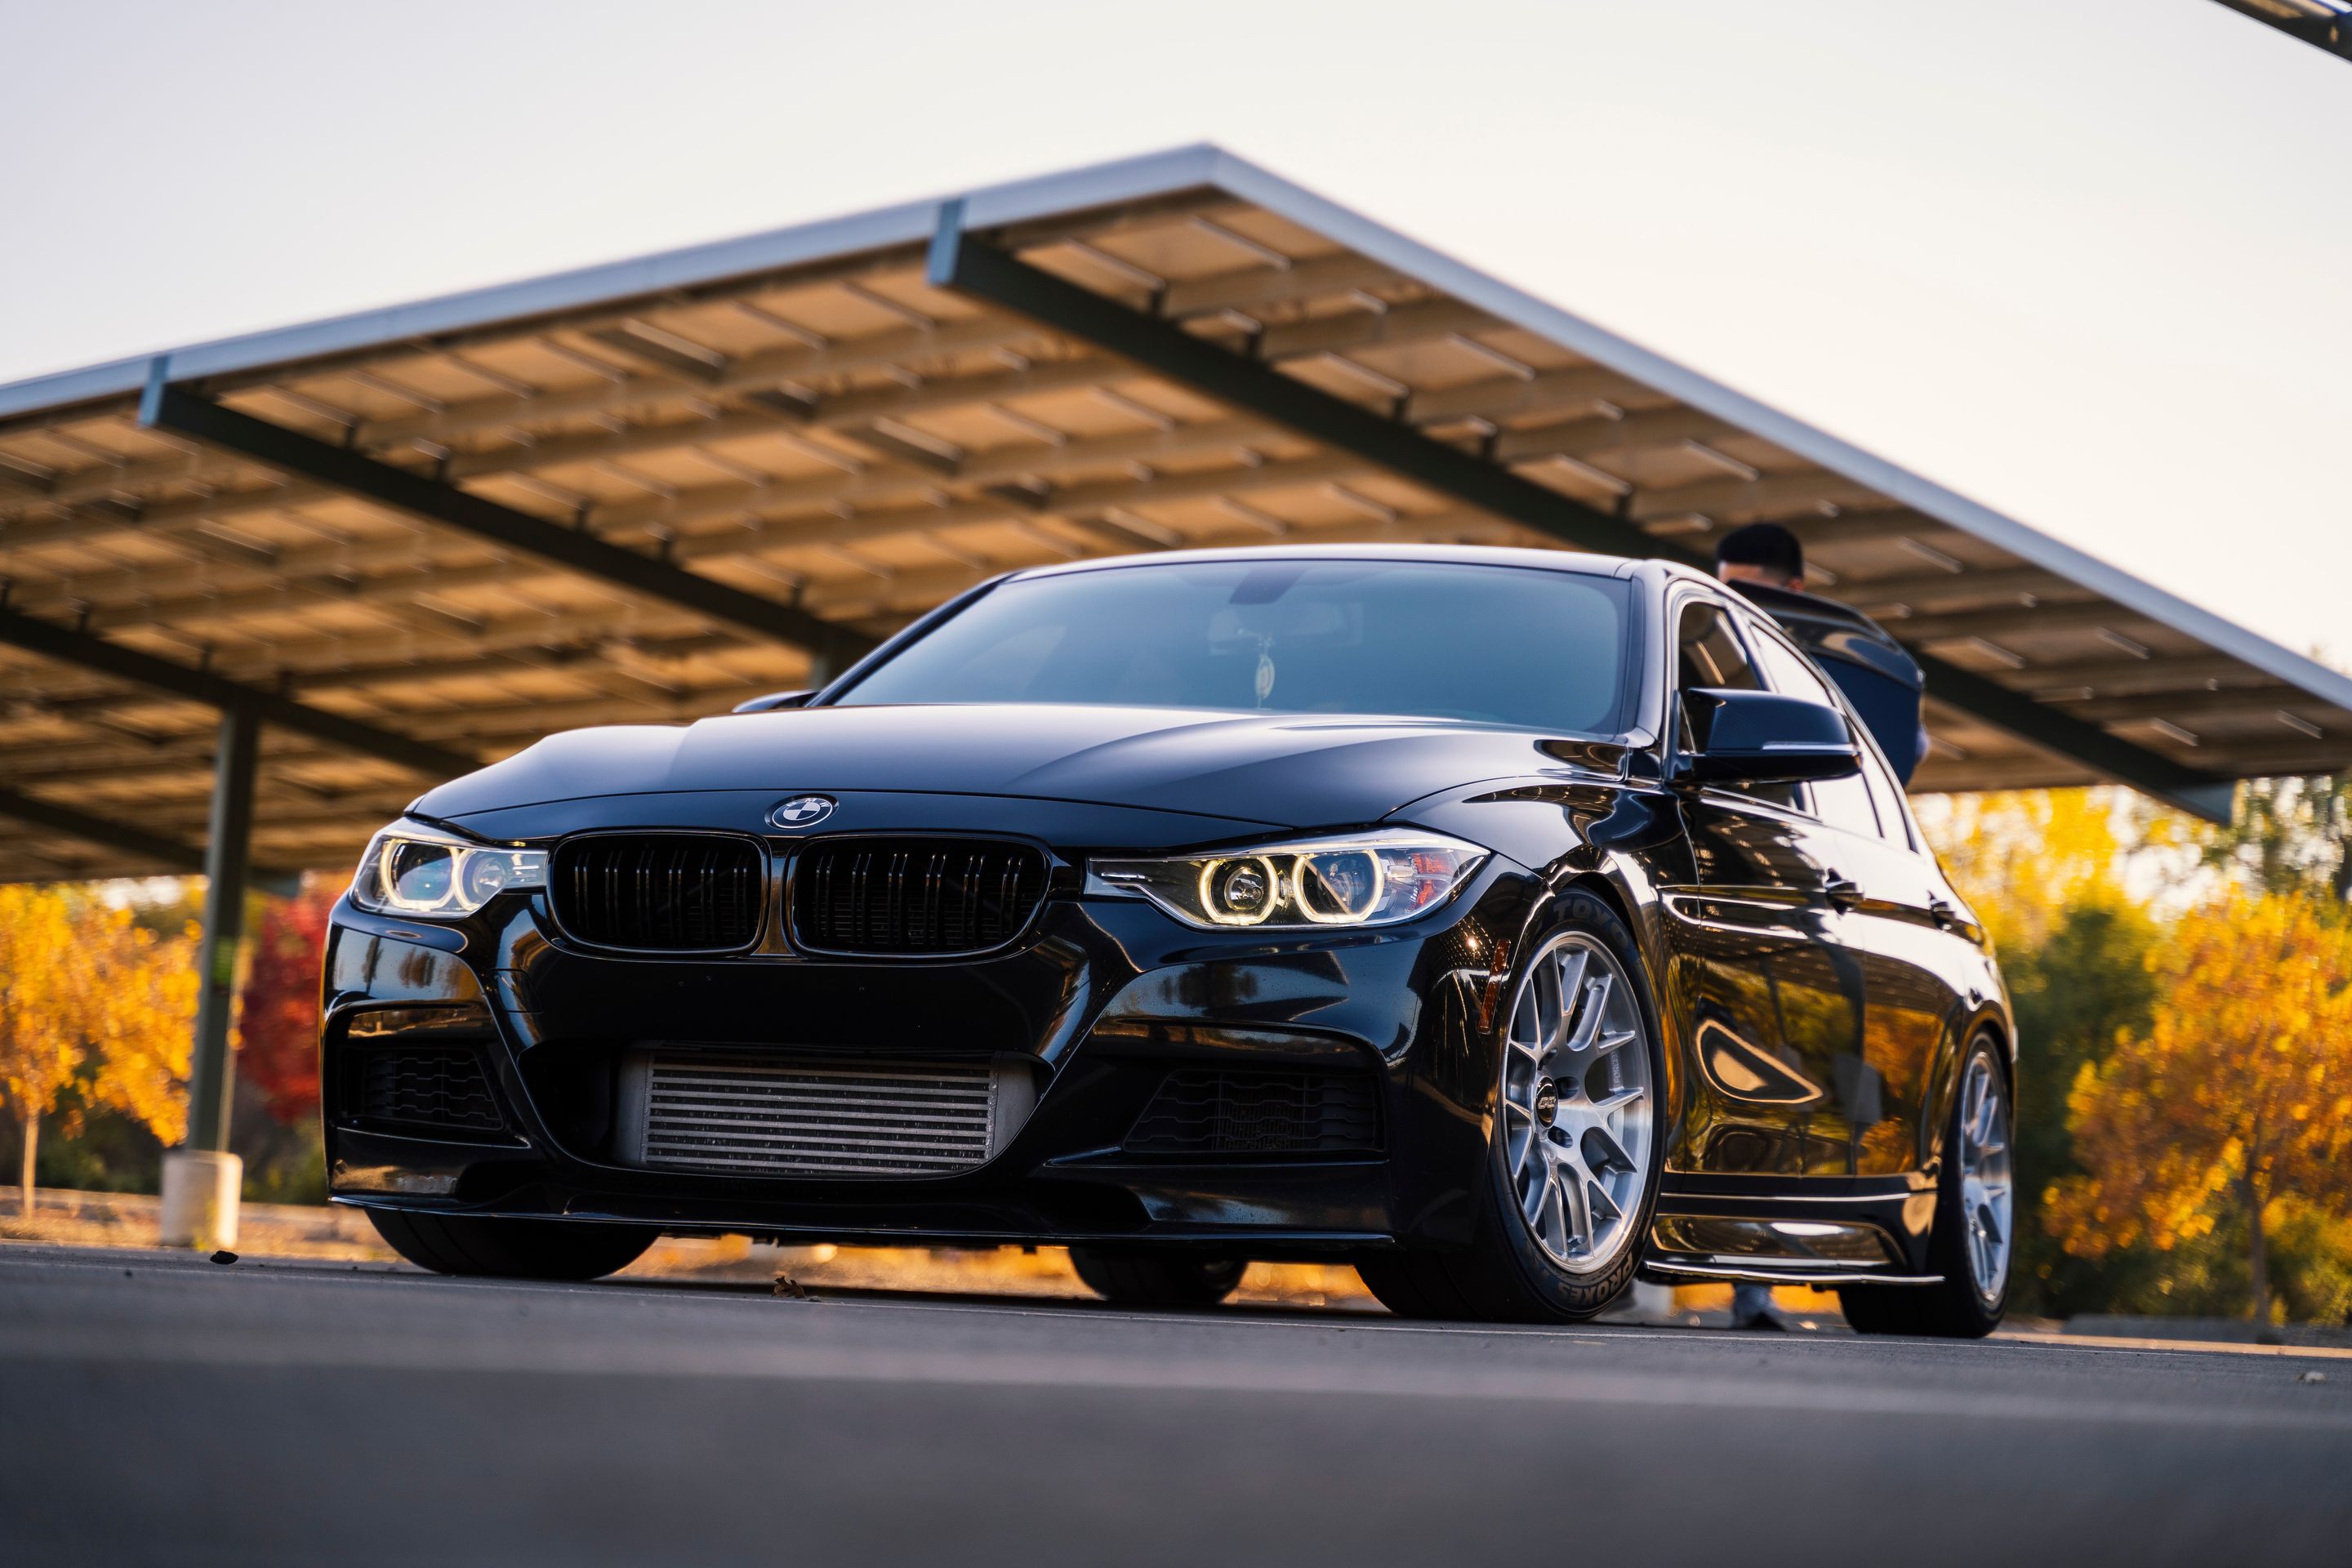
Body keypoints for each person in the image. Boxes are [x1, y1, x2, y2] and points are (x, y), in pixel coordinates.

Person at [1713, 523, 1931, 786]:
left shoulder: (1833, 661)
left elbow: (1906, 745)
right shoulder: (1711, 654)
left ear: (1793, 589)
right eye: (1725, 592)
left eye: (1748, 595)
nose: (1734, 606)